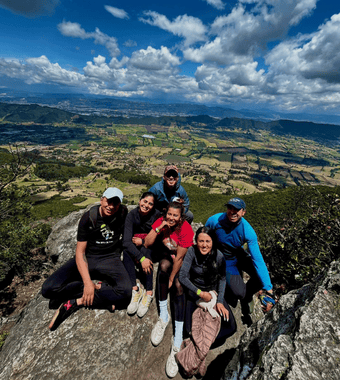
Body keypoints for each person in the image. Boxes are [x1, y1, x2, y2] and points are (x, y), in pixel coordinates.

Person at [42, 187, 132, 331]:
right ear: (102, 199)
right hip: (88, 258)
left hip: (110, 258)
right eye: (108, 201)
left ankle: (76, 302)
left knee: (126, 292)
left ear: (120, 204)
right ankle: (98, 293)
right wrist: (88, 283)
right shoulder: (89, 217)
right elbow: (80, 253)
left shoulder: (122, 213)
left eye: (116, 203)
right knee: (48, 289)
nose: (111, 206)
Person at [177, 226, 237, 377]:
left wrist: (220, 301)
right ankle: (199, 348)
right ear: (196, 242)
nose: (204, 245)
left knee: (231, 327)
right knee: (189, 330)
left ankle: (198, 349)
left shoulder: (219, 256)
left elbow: (222, 279)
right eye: (201, 241)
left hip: (212, 294)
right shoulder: (192, 252)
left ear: (213, 242)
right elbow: (183, 276)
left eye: (207, 241)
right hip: (195, 293)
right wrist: (199, 293)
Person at [205, 197, 275, 326]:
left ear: (243, 212)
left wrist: (268, 289)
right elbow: (204, 236)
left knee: (261, 279)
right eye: (230, 208)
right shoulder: (215, 221)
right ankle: (245, 296)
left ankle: (248, 295)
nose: (232, 211)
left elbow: (257, 259)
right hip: (226, 260)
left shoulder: (247, 231)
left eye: (237, 209)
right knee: (238, 293)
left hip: (239, 254)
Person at [144, 199, 194, 378]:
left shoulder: (186, 229)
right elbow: (148, 243)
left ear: (181, 217)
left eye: (175, 215)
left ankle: (177, 338)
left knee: (179, 285)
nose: (172, 218)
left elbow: (180, 258)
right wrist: (160, 227)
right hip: (167, 256)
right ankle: (164, 316)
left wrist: (173, 279)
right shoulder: (162, 222)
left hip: (182, 260)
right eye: (169, 215)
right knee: (163, 266)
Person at [123, 192, 161, 317]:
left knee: (146, 250)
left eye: (150, 204)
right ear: (140, 201)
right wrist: (141, 258)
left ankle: (149, 292)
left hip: (152, 249)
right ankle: (135, 289)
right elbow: (126, 242)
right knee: (126, 252)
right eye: (145, 201)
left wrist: (143, 242)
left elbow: (159, 240)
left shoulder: (156, 216)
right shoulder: (132, 215)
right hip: (136, 248)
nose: (147, 205)